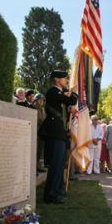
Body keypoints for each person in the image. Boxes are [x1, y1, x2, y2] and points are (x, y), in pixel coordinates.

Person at [39, 70, 77, 204]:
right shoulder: (53, 92)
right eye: (64, 78)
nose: (66, 80)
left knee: (60, 164)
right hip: (54, 132)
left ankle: (56, 191)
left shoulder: (59, 94)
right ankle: (50, 195)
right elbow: (71, 99)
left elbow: (65, 107)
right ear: (57, 79)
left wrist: (70, 108)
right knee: (55, 165)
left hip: (59, 132)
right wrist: (74, 91)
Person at [34, 93, 47, 173]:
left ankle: (38, 166)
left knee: (40, 150)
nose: (42, 101)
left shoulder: (42, 109)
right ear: (36, 100)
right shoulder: (34, 108)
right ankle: (33, 167)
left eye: (43, 100)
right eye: (40, 99)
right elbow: (39, 120)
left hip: (42, 132)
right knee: (35, 150)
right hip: (36, 131)